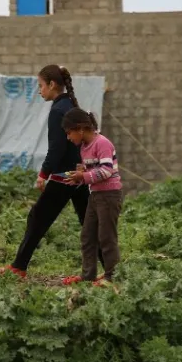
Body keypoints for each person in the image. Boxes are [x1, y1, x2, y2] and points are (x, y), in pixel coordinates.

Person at [0, 65, 101, 279]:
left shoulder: (57, 111)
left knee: (37, 218)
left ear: (52, 85)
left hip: (66, 177)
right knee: (89, 223)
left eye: (41, 85)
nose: (39, 90)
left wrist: (43, 173)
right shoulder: (70, 105)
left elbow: (57, 148)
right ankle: (110, 271)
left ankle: (18, 268)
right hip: (81, 175)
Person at [60, 108, 123, 286]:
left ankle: (112, 276)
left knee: (106, 237)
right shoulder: (84, 147)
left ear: (80, 129)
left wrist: (84, 177)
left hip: (109, 196)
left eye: (69, 132)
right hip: (95, 195)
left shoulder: (102, 143)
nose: (68, 137)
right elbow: (91, 171)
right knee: (88, 235)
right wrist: (78, 177)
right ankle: (88, 274)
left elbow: (106, 170)